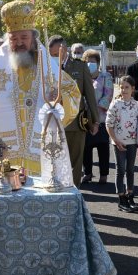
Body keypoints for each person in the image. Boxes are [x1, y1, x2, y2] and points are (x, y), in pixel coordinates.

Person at [0, 0, 80, 182]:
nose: (19, 42)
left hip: (41, 153)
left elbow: (73, 94)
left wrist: (60, 99)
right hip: (6, 156)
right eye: (14, 39)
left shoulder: (50, 70)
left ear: (34, 39)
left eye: (24, 37)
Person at [50, 34, 100, 183]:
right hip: (54, 122)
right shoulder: (48, 67)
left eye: (55, 54)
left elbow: (89, 94)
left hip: (76, 122)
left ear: (64, 49)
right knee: (55, 161)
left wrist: (95, 120)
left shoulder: (80, 66)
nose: (53, 57)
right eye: (51, 55)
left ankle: (75, 190)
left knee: (76, 161)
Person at [106, 76, 138, 212]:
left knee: (130, 170)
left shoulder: (137, 105)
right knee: (120, 170)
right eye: (122, 87)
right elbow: (109, 124)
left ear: (133, 89)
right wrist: (115, 140)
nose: (124, 90)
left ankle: (130, 196)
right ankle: (121, 199)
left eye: (127, 87)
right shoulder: (115, 104)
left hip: (132, 142)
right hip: (119, 142)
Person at [82, 48, 114, 184]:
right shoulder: (82, 78)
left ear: (98, 63)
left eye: (93, 61)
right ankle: (87, 173)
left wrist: (95, 112)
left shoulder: (106, 77)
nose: (90, 64)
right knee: (86, 148)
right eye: (87, 62)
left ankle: (104, 175)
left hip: (101, 119)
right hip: (85, 119)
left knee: (103, 148)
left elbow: (108, 95)